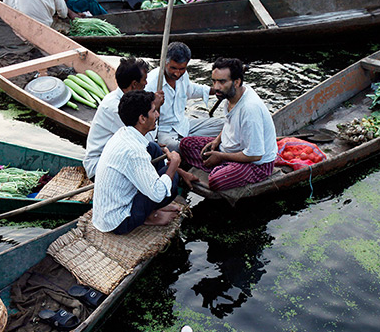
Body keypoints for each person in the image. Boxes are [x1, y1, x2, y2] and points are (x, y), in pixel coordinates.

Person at [179, 58, 277, 191]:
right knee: (186, 144)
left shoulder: (249, 109)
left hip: (255, 164)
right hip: (230, 149)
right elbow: (229, 124)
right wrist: (216, 141)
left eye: (222, 82)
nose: (216, 87)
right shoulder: (230, 97)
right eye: (214, 81)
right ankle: (224, 167)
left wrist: (221, 157)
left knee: (216, 181)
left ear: (237, 82)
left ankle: (222, 167)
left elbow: (255, 155)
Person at [92, 90, 182, 234]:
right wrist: (174, 165)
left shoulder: (124, 132)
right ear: (142, 119)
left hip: (110, 210)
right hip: (119, 222)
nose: (157, 115)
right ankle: (149, 216)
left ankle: (151, 209)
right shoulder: (134, 151)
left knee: (152, 147)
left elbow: (146, 150)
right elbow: (158, 193)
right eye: (154, 112)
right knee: (172, 176)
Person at [83, 57, 159, 179]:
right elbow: (146, 138)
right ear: (134, 84)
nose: (146, 84)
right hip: (99, 167)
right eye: (144, 80)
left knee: (155, 150)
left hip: (117, 156)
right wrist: (154, 109)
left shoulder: (130, 101)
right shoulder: (115, 108)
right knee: (152, 151)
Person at [145, 42, 224, 153]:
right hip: (163, 132)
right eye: (173, 68)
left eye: (182, 69)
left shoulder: (184, 75)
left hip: (183, 125)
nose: (177, 73)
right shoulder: (152, 83)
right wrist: (154, 104)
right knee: (176, 147)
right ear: (164, 62)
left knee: (224, 126)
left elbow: (190, 90)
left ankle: (192, 143)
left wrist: (214, 90)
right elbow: (142, 116)